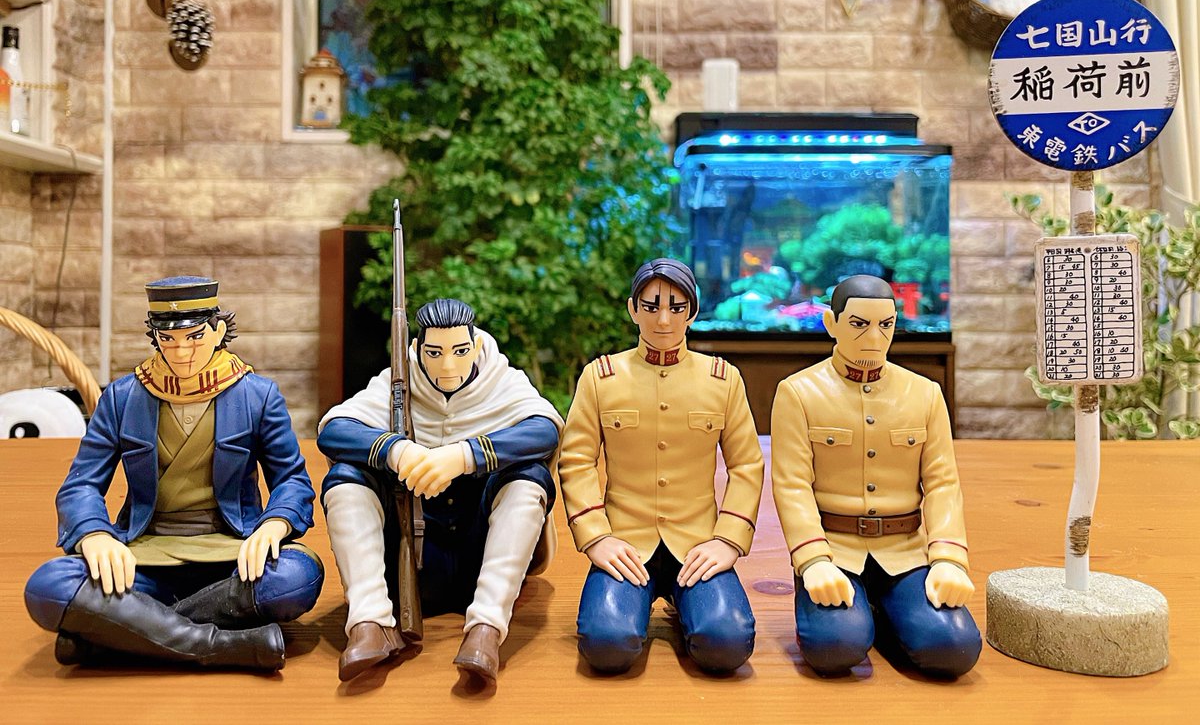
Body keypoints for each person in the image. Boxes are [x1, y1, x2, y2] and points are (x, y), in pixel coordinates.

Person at [24, 277, 324, 672]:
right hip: (142, 555)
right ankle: (221, 645)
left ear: (218, 331)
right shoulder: (123, 398)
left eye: (194, 338)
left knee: (297, 577)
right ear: (155, 338)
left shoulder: (257, 395)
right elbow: (81, 484)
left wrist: (274, 524)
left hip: (232, 556)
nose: (181, 352)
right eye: (168, 340)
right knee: (50, 586)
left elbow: (292, 480)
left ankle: (118, 636)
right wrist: (95, 534)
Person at [318, 298, 562, 684]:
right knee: (346, 478)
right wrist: (396, 450)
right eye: (434, 353)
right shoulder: (397, 384)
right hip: (414, 558)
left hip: (479, 547)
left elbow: (544, 429)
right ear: (417, 350)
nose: (448, 365)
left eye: (460, 351)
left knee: (529, 478)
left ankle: (486, 629)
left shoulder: (502, 381)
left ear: (476, 346)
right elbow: (334, 430)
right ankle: (369, 622)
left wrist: (464, 456)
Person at [559, 258, 764, 675]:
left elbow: (746, 465)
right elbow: (577, 461)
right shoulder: (601, 378)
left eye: (676, 306)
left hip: (697, 543)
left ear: (692, 311)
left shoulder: (722, 379)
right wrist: (596, 537)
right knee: (607, 645)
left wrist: (728, 539)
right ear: (633, 309)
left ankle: (686, 602)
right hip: (625, 543)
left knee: (727, 643)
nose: (664, 319)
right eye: (651, 307)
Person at [771, 274, 981, 678]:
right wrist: (812, 560)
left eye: (885, 324)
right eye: (858, 324)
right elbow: (792, 485)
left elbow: (942, 483)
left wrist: (949, 559)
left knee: (953, 648)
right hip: (835, 550)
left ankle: (887, 614)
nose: (874, 337)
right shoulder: (799, 393)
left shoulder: (924, 393)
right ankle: (865, 618)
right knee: (835, 647)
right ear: (831, 324)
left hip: (905, 551)